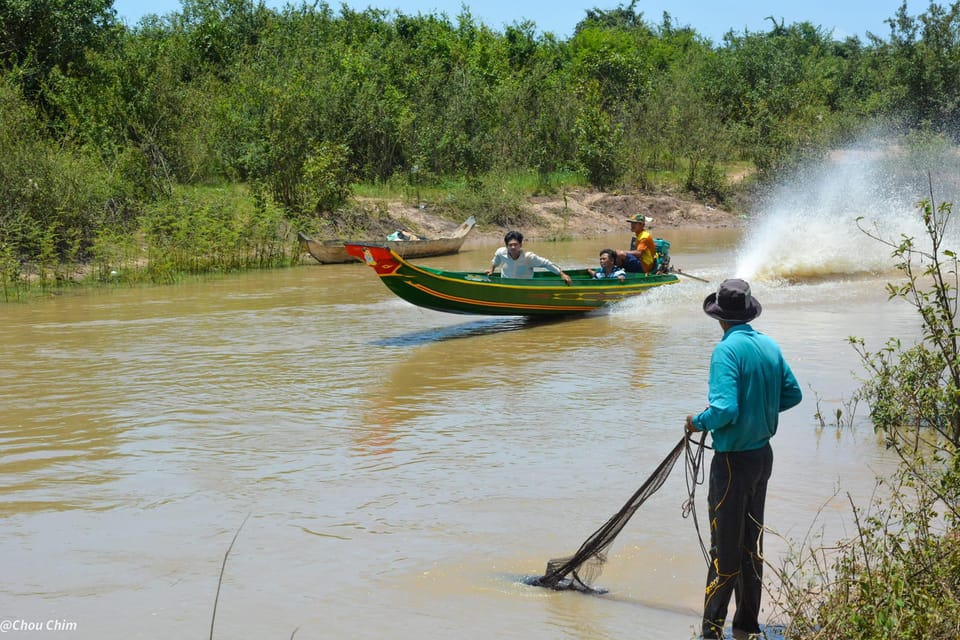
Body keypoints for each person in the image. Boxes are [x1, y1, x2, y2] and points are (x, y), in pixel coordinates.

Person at [684, 279, 802, 640]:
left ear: (719, 317)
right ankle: (747, 626)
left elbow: (724, 409)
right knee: (752, 544)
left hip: (732, 463)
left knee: (725, 548)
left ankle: (710, 631)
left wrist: (696, 422)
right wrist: (759, 411)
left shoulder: (725, 352)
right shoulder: (768, 345)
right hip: (761, 458)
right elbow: (792, 394)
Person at [485, 230, 572, 285]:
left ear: (520, 245)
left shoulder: (529, 257)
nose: (513, 247)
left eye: (515, 244)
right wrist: (492, 270)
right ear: (506, 246)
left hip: (525, 285)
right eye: (510, 245)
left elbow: (546, 263)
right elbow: (496, 260)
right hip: (506, 283)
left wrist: (561, 274)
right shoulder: (501, 252)